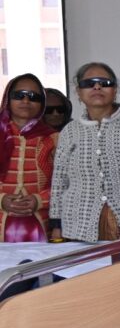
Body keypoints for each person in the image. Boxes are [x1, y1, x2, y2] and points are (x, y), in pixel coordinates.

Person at [50, 62, 120, 242]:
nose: (97, 87)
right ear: (78, 92)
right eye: (89, 83)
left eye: (105, 83)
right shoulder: (69, 131)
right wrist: (56, 224)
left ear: (115, 90)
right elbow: (59, 182)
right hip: (78, 228)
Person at [0, 74, 57, 242]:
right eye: (19, 95)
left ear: (42, 103)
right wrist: (1, 200)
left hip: (42, 225)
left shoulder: (53, 139)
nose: (26, 101)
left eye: (33, 97)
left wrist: (39, 200)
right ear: (8, 99)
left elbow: (67, 183)